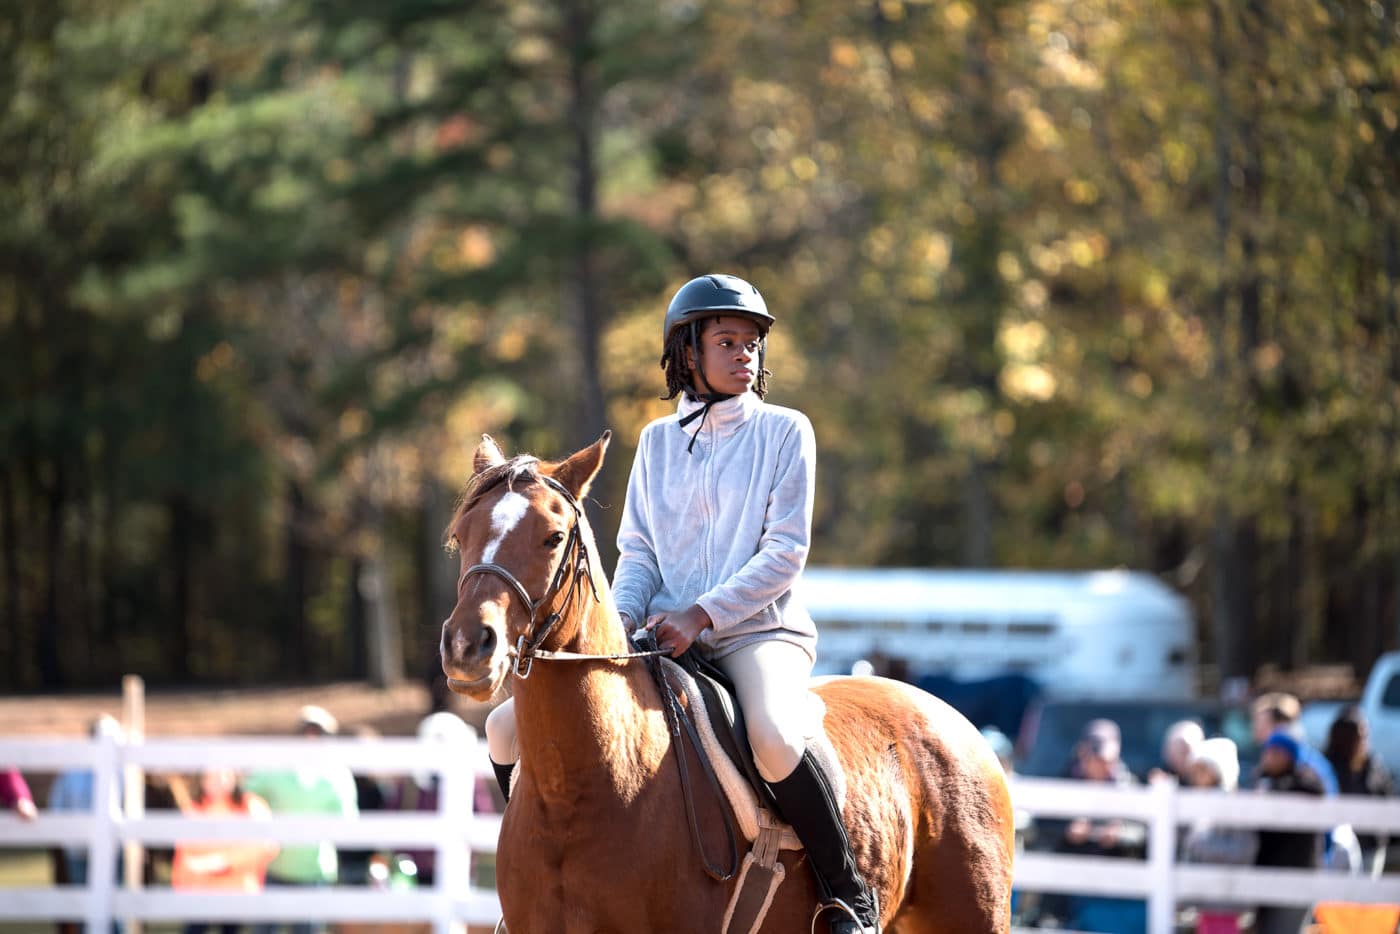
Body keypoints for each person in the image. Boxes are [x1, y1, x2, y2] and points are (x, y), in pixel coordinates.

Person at [484, 273, 874, 933]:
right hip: (658, 633)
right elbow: (637, 553)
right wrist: (625, 619)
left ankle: (846, 897)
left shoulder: (786, 432)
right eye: (727, 341)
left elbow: (784, 554)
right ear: (687, 352)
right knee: (502, 729)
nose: (745, 355)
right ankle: (539, 879)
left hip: (757, 632)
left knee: (775, 739)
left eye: (752, 343)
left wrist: (703, 614)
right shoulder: (658, 443)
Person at [243, 705, 358, 934]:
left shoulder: (339, 775)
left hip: (315, 873)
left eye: (318, 732)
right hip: (274, 869)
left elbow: (348, 821)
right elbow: (246, 795)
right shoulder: (275, 767)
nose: (311, 737)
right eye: (306, 731)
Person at [1053, 719, 1147, 934]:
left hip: (1114, 883)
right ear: (1084, 753)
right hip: (1070, 881)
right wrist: (1068, 831)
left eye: (1109, 760)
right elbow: (1044, 826)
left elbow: (1143, 830)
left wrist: (1120, 834)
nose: (1105, 766)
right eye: (1099, 759)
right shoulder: (1064, 781)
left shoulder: (1127, 784)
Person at [170, 766, 277, 934]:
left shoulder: (250, 806)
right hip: (200, 891)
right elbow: (184, 853)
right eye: (211, 777)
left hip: (236, 891)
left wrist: (224, 861)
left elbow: (266, 845)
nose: (218, 783)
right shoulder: (193, 809)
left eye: (223, 776)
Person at [1252, 731, 1326, 934]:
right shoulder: (1259, 780)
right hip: (1264, 873)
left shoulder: (1307, 781)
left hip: (1297, 871)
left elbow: (1315, 794)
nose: (1270, 756)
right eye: (1268, 751)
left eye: (1277, 752)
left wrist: (1275, 792)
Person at [1180, 738, 1257, 934]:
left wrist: (1203, 844)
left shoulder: (1233, 804)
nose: (1196, 776)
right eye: (1195, 770)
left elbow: (1244, 848)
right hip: (1203, 898)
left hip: (1225, 897)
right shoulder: (1199, 802)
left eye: (1202, 769)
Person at [1324, 704, 1394, 875]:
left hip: (1372, 845)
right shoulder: (1329, 768)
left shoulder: (1373, 766)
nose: (1365, 739)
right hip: (1341, 847)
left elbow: (1387, 796)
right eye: (1360, 735)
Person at [1251, 691, 1338, 794]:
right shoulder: (1269, 764)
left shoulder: (1306, 767)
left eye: (1261, 722)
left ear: (1281, 724)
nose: (1255, 728)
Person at [1150, 719, 1204, 784]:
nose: (1180, 756)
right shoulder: (1161, 775)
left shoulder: (1205, 778)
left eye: (1185, 750)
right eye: (1177, 749)